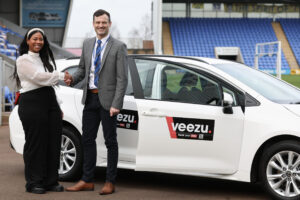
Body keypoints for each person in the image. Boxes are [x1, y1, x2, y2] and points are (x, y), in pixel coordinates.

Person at [65, 9, 128, 195]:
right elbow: (82, 70)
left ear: (109, 24)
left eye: (104, 22)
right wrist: (72, 79)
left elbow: (122, 78)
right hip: (90, 99)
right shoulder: (87, 44)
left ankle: (110, 182)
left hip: (108, 102)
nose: (100, 25)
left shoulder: (119, 46)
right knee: (87, 140)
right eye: (97, 22)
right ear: (93, 24)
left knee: (110, 142)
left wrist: (117, 103)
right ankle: (87, 180)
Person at [14, 28, 71, 194]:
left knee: (53, 142)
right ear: (27, 40)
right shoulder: (23, 60)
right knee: (36, 144)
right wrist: (60, 75)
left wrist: (57, 105)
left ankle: (50, 181)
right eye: (35, 39)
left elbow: (50, 86)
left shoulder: (45, 59)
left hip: (49, 101)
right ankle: (34, 182)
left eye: (41, 39)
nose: (38, 42)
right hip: (32, 102)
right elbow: (38, 78)